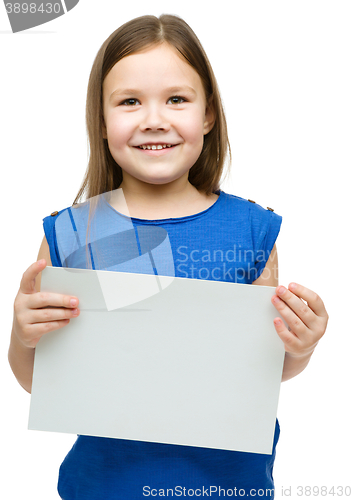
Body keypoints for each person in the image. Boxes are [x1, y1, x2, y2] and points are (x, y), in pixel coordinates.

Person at [8, 14, 329, 500]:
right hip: (104, 487)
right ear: (101, 119)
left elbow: (260, 373)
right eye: (130, 101)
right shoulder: (71, 232)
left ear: (208, 114)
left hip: (228, 486)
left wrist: (300, 347)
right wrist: (22, 332)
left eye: (176, 99)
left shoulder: (250, 230)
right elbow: (38, 383)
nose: (153, 118)